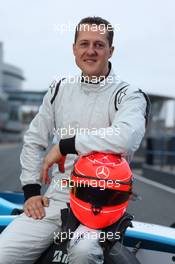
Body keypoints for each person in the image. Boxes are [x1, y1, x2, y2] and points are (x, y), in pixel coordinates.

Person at [0, 16, 149, 264]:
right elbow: (34, 139)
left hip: (101, 201)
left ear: (110, 51)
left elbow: (125, 138)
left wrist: (65, 145)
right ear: (74, 49)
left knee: (82, 253)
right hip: (57, 196)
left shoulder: (129, 95)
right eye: (84, 44)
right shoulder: (59, 90)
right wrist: (31, 191)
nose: (90, 51)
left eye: (99, 45)